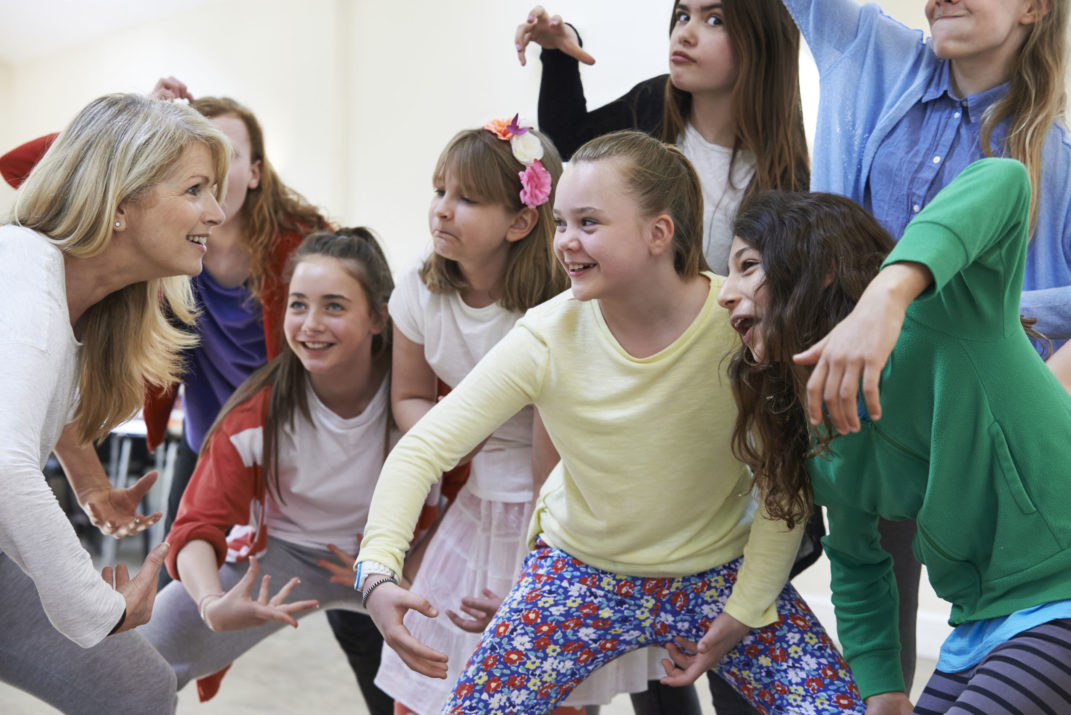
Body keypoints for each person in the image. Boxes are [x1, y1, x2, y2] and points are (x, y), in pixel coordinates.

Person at [356, 131, 864, 714]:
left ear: (658, 233)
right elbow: (422, 449)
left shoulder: (740, 321)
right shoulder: (548, 335)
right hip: (579, 572)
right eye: (562, 223)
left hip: (717, 570)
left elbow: (782, 484)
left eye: (589, 223)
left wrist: (746, 609)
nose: (566, 242)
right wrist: (377, 573)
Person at [777, 0, 1071, 689]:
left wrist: (1041, 392)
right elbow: (852, 566)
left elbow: (1001, 187)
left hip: (982, 461)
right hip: (865, 426)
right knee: (874, 601)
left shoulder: (1051, 163)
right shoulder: (870, 50)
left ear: (1033, 7)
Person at [717, 157, 1071, 713]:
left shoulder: (948, 315)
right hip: (981, 621)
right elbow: (859, 560)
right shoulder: (822, 424)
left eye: (747, 265)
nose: (725, 292)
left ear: (824, 267)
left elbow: (1005, 179)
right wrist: (881, 687)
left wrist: (889, 291)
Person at [0, 92, 229, 713]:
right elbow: (5, 467)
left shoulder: (64, 298)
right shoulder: (25, 279)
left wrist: (92, 486)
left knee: (138, 687)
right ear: (120, 201)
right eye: (196, 189)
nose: (216, 210)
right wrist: (98, 606)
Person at [139, 229, 404, 713]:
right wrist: (211, 602)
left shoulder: (414, 398)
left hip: (394, 561)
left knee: (448, 681)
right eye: (299, 305)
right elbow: (196, 525)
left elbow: (461, 491)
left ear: (378, 317)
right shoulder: (256, 413)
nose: (311, 324)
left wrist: (403, 569)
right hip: (280, 556)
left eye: (335, 306)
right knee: (135, 666)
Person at [372, 117, 577, 714]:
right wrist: (451, 441)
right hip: (474, 497)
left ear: (520, 221)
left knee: (535, 677)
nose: (442, 210)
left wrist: (543, 563)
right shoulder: (418, 287)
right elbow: (408, 396)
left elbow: (556, 444)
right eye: (440, 191)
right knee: (433, 667)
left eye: (467, 199)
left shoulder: (555, 305)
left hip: (548, 501)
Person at [515, 0, 809, 275]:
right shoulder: (653, 103)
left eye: (715, 20)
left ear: (763, 42)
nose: (685, 34)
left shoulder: (789, 180)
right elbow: (566, 141)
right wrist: (558, 54)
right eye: (683, 16)